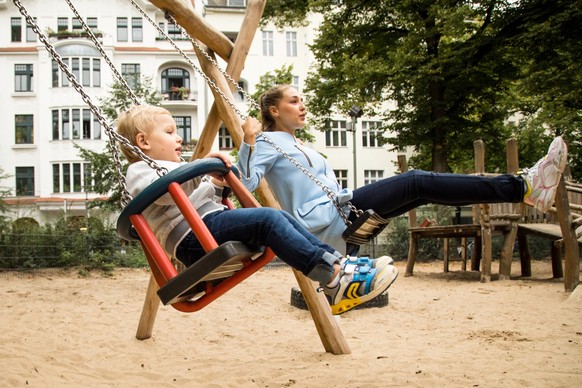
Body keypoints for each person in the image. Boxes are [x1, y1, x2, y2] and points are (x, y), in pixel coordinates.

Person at [116, 105, 398, 315]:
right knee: (269, 219)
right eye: (169, 132)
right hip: (193, 239)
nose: (179, 138)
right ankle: (335, 279)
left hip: (206, 226)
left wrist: (213, 182)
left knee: (278, 219)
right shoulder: (139, 171)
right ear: (143, 142)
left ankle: (339, 266)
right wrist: (201, 166)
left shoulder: (175, 171)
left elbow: (197, 197)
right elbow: (168, 193)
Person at [237, 84, 569, 256]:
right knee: (415, 180)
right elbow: (246, 181)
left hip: (339, 213)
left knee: (424, 188)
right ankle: (522, 186)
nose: (302, 105)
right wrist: (248, 140)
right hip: (328, 220)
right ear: (273, 109)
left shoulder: (298, 145)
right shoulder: (266, 141)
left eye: (301, 99)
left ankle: (525, 190)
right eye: (294, 100)